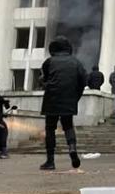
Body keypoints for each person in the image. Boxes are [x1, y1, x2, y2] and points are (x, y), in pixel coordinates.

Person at [39, 36, 87, 171]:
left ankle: (50, 160)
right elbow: (83, 81)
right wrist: (75, 97)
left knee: (50, 128)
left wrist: (44, 83)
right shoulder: (76, 62)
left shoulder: (49, 62)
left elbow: (45, 79)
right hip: (69, 98)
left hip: (51, 98)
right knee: (68, 126)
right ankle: (72, 148)